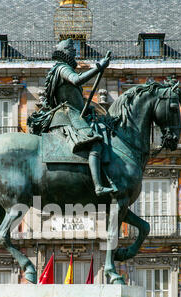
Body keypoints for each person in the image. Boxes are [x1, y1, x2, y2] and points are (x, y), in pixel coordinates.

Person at [27, 38, 118, 197]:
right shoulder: (62, 68)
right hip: (67, 116)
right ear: (64, 51)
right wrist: (99, 67)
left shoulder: (60, 69)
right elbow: (77, 80)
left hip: (71, 113)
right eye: (71, 48)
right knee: (95, 143)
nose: (75, 51)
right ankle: (98, 186)